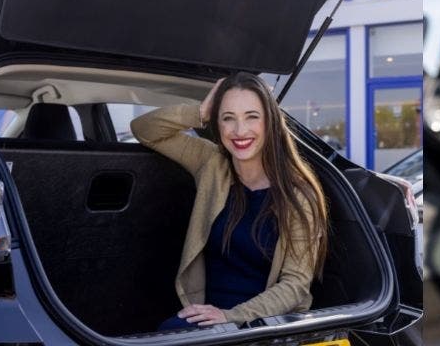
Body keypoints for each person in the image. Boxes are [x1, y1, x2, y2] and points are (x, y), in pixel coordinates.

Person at [131, 72, 328, 329]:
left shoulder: (298, 195)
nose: (239, 130)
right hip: (207, 315)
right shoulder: (211, 163)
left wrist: (230, 316)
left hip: (262, 323)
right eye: (228, 118)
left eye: (252, 117)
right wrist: (200, 112)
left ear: (270, 121)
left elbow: (295, 285)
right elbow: (144, 130)